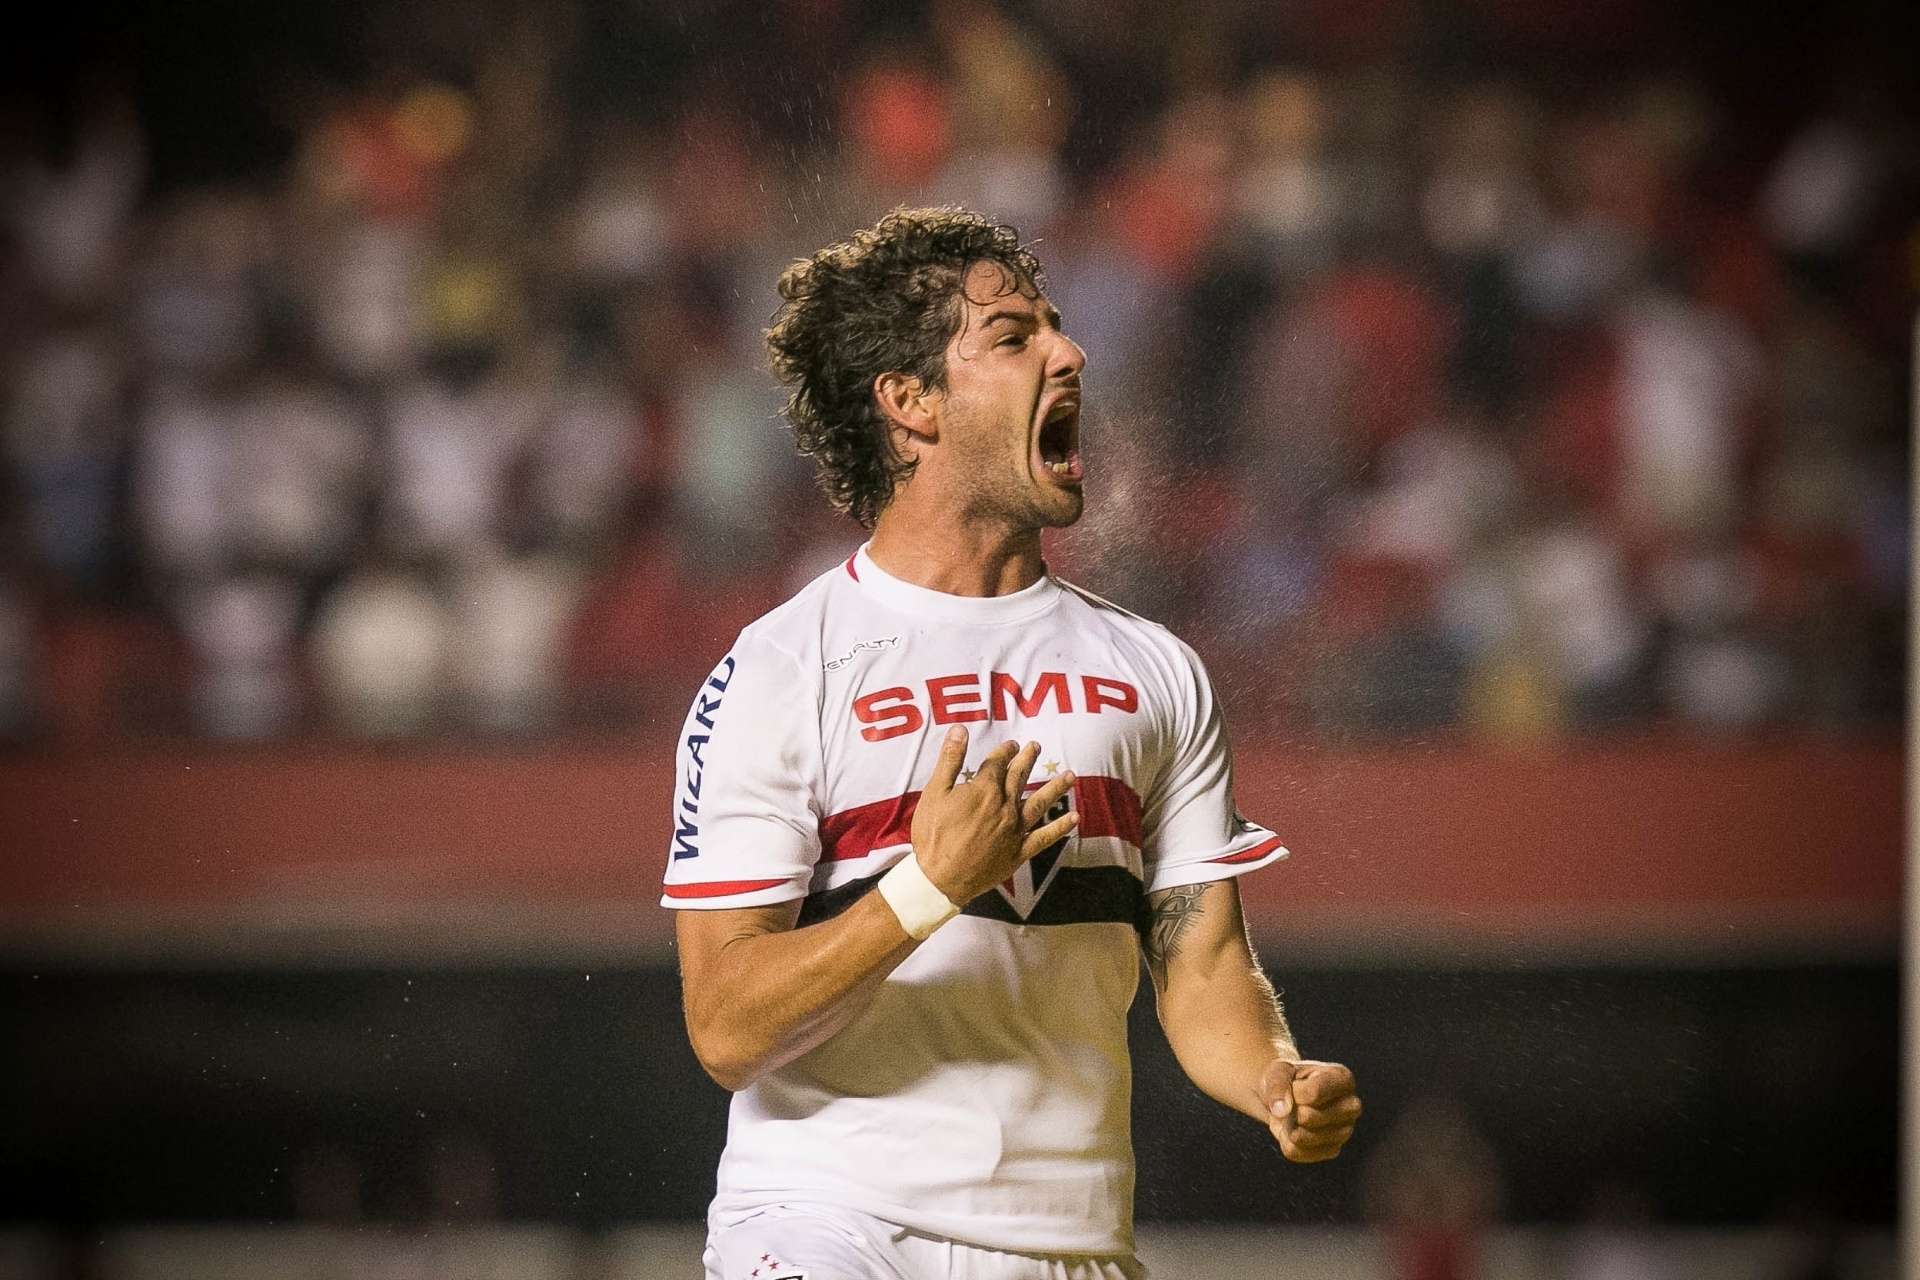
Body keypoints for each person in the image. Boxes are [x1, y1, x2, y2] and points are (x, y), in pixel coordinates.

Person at [664, 207, 1361, 1280]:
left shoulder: (1156, 671)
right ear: (909, 403)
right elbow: (725, 1028)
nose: (1069, 352)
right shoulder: (776, 668)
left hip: (1068, 1243)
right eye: (1012, 335)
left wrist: (1271, 1071)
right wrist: (925, 885)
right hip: (825, 1223)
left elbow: (1202, 959)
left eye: (1057, 328)